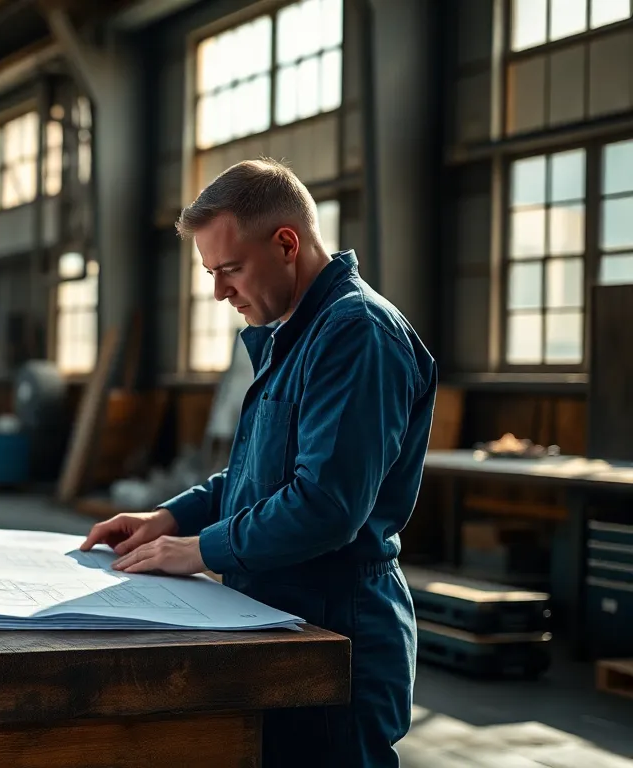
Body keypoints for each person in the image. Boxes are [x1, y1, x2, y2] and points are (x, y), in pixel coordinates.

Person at [81, 158, 437, 767]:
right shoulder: (294, 334)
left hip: (336, 627)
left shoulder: (357, 333)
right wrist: (169, 518)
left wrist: (197, 550)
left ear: (286, 243)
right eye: (211, 273)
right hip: (281, 618)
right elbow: (258, 475)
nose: (219, 291)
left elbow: (325, 507)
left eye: (229, 270)